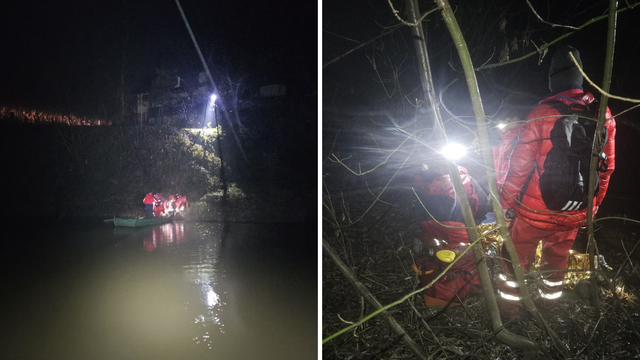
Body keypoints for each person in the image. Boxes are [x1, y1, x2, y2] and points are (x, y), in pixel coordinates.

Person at [496, 45, 616, 316]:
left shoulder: (541, 114)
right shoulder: (603, 114)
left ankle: (508, 311)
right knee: (557, 259)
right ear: (580, 77)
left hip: (534, 212)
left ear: (553, 79)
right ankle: (548, 307)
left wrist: (505, 201)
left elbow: (519, 167)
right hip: (575, 210)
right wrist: (593, 205)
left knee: (514, 259)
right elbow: (607, 168)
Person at [412, 161, 491, 306]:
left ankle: (442, 273)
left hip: (425, 217)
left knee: (442, 248)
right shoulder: (464, 177)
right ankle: (472, 285)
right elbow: (481, 205)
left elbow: (416, 186)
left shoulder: (428, 174)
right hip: (454, 221)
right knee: (467, 253)